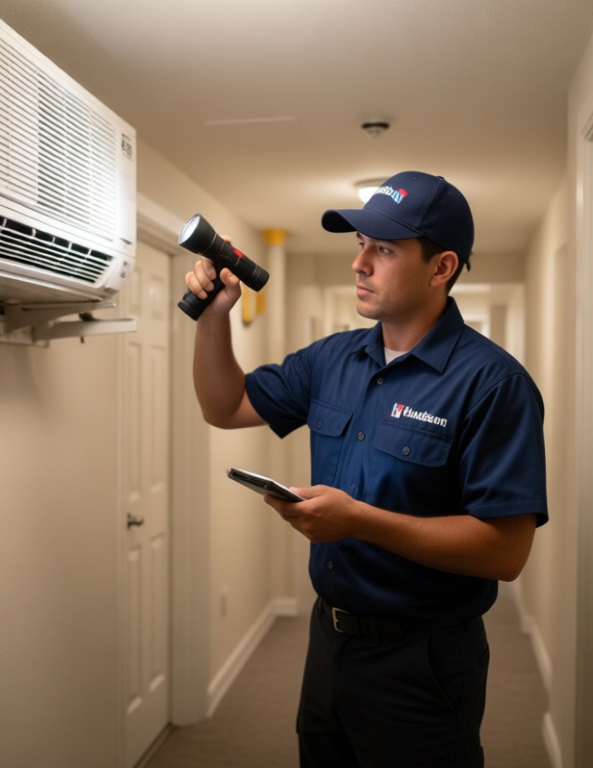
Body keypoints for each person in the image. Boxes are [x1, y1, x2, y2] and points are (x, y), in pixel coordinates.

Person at [184, 170, 548, 768]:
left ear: (441, 268)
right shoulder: (332, 359)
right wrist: (213, 316)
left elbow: (505, 553)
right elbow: (223, 406)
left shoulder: (493, 384)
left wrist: (358, 521)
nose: (359, 264)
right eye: (360, 245)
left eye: (383, 249)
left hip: (424, 661)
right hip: (328, 643)